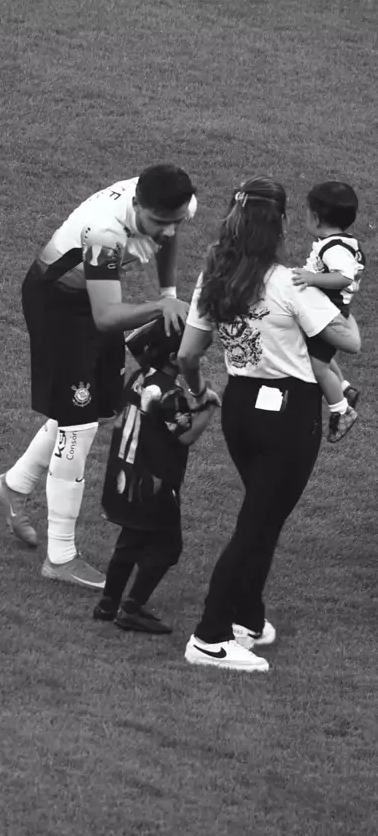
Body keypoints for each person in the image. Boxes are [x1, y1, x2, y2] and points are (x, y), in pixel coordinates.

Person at [177, 176, 361, 673]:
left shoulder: (213, 273)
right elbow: (350, 341)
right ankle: (210, 637)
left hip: (240, 409)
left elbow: (188, 354)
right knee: (257, 525)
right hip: (288, 416)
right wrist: (342, 301)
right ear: (278, 225)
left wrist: (198, 392)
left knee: (263, 516)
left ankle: (247, 619)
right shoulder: (289, 281)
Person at [0, 165, 197, 589]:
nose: (168, 231)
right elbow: (106, 317)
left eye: (175, 221)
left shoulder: (175, 204)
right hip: (59, 306)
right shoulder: (104, 233)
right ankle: (60, 556)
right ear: (137, 204)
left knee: (101, 408)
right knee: (78, 424)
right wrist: (161, 307)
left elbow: (168, 238)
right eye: (159, 221)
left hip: (94, 299)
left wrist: (170, 295)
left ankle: (13, 486)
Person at [94, 317, 219, 632]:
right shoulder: (169, 394)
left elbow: (160, 417)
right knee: (168, 548)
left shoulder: (140, 377)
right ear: (174, 358)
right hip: (154, 484)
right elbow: (185, 435)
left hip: (126, 474)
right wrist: (208, 408)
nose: (197, 356)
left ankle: (107, 605)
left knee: (130, 541)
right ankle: (130, 608)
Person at [292, 182, 365, 443]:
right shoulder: (339, 242)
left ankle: (341, 411)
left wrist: (312, 278)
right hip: (325, 309)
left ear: (316, 217)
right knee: (315, 352)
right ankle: (344, 388)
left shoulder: (333, 248)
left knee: (318, 365)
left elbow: (344, 277)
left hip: (328, 312)